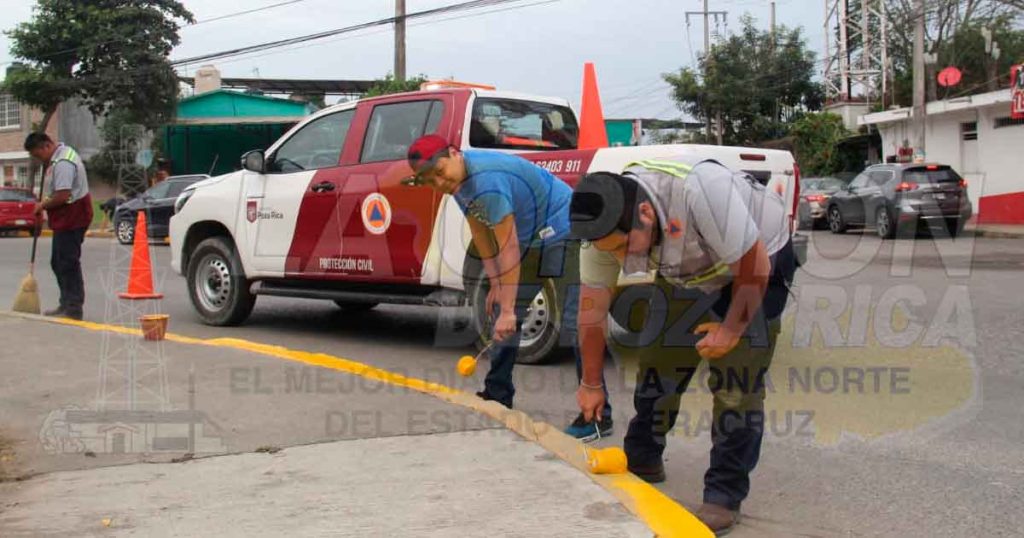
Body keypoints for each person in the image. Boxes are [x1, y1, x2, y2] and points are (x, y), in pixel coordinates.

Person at [569, 158, 796, 535]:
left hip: (759, 262)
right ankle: (643, 459)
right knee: (660, 360)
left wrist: (730, 330)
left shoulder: (700, 191)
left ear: (644, 212)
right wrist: (591, 383)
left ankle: (724, 494)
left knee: (736, 383)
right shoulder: (601, 235)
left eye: (625, 247)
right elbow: (591, 313)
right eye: (613, 253)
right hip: (690, 269)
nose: (623, 262)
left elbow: (754, 267)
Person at [404, 134, 613, 441]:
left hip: (563, 230)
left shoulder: (487, 181)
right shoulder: (459, 185)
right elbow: (482, 233)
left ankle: (597, 417)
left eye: (439, 171)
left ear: (454, 153)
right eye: (429, 180)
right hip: (533, 239)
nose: (439, 182)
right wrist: (497, 286)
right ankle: (498, 394)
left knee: (575, 322)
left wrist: (507, 304)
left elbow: (508, 246)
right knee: (502, 312)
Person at [25, 133, 93, 321]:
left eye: (38, 155)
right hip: (65, 217)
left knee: (68, 262)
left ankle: (73, 308)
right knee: (58, 261)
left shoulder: (63, 162)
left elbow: (62, 195)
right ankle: (66, 302)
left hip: (73, 216)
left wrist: (42, 206)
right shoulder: (56, 159)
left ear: (46, 146)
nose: (38, 159)